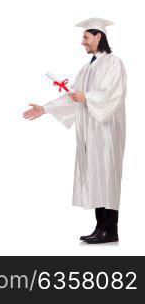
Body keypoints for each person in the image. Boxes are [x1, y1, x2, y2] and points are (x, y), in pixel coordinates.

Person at [22, 18, 126, 244]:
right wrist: (45, 108)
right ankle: (101, 228)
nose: (83, 42)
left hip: (106, 131)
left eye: (86, 38)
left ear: (99, 37)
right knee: (96, 177)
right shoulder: (87, 68)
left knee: (107, 176)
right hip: (90, 132)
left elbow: (113, 94)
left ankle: (111, 229)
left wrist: (87, 96)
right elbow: (73, 98)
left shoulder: (113, 63)